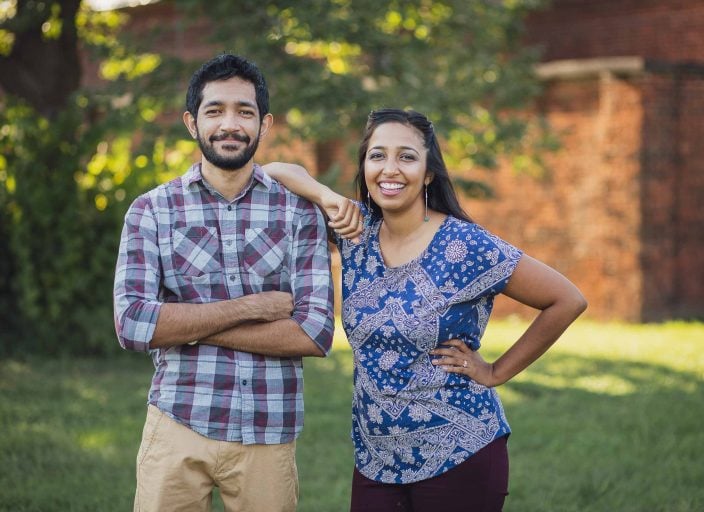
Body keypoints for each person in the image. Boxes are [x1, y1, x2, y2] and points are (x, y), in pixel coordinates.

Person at [263, 108, 587, 512]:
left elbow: (567, 299)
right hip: (376, 460)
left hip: (459, 453)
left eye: (407, 157)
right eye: (377, 155)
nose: (390, 169)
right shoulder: (355, 231)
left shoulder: (465, 245)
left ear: (429, 173)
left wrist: (496, 372)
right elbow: (273, 171)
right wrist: (327, 196)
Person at [113, 53, 335, 512]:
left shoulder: (299, 213)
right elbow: (132, 324)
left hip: (268, 433)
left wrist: (186, 326)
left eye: (244, 111)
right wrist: (251, 308)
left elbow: (314, 332)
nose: (229, 124)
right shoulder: (151, 211)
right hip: (177, 424)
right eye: (215, 111)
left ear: (264, 124)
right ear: (192, 123)